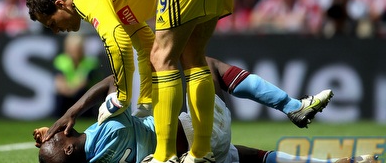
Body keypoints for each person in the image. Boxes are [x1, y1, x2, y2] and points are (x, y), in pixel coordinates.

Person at [26, 0, 233, 161]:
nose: (56, 31)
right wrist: (144, 98)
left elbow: (118, 42)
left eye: (51, 23)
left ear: (60, 4)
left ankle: (164, 156)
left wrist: (121, 97)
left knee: (163, 58)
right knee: (192, 58)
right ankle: (201, 153)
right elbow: (142, 41)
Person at [39, 56, 334, 162]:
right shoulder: (106, 125)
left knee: (243, 157)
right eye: (57, 138)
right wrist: (72, 112)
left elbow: (64, 152)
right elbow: (113, 83)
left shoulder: (89, 157)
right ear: (67, 148)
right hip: (198, 138)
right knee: (205, 65)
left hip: (190, 154)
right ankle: (292, 106)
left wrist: (51, 143)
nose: (53, 133)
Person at [53, 33, 100, 117]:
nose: (74, 53)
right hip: (66, 96)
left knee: (83, 94)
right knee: (60, 97)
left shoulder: (90, 62)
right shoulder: (61, 60)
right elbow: (60, 83)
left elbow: (83, 83)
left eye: (77, 50)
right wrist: (68, 90)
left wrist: (70, 90)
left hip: (83, 98)